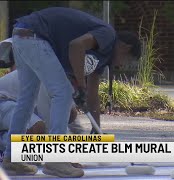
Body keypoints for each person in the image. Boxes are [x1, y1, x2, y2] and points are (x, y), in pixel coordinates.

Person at [2, 7, 141, 178]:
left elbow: (92, 96)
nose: (122, 66)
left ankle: (11, 158)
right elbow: (76, 46)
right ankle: (56, 160)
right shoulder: (108, 35)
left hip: (21, 35)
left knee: (27, 99)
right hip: (35, 36)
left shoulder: (103, 59)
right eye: (127, 61)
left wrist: (96, 130)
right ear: (125, 48)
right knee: (62, 92)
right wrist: (80, 84)